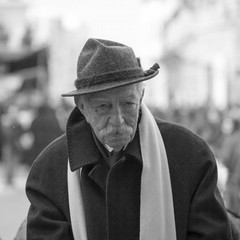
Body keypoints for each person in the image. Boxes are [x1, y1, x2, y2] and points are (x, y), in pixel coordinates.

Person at [25, 38, 233, 240]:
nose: (117, 120)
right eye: (103, 107)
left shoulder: (190, 155)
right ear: (82, 106)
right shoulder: (49, 170)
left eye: (127, 104)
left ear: (141, 97)